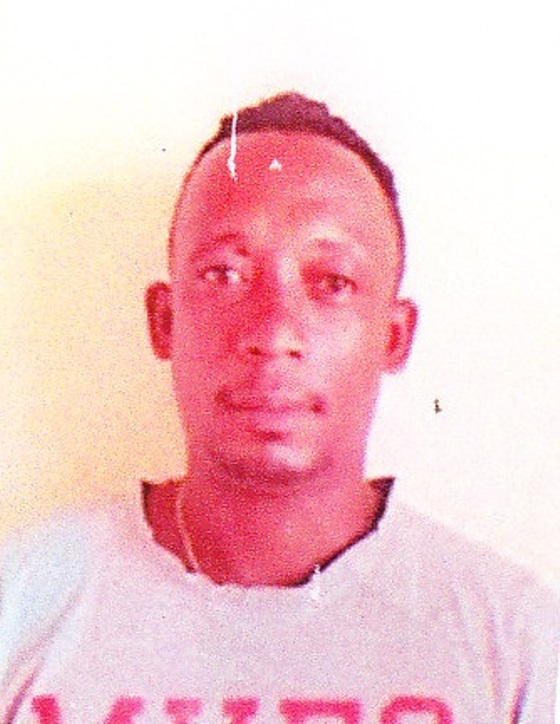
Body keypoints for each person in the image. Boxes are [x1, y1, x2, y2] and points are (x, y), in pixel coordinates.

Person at [0, 92, 558, 722]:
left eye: (331, 283)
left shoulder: (517, 647)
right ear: (164, 320)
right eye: (225, 274)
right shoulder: (20, 609)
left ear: (394, 337)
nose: (273, 332)